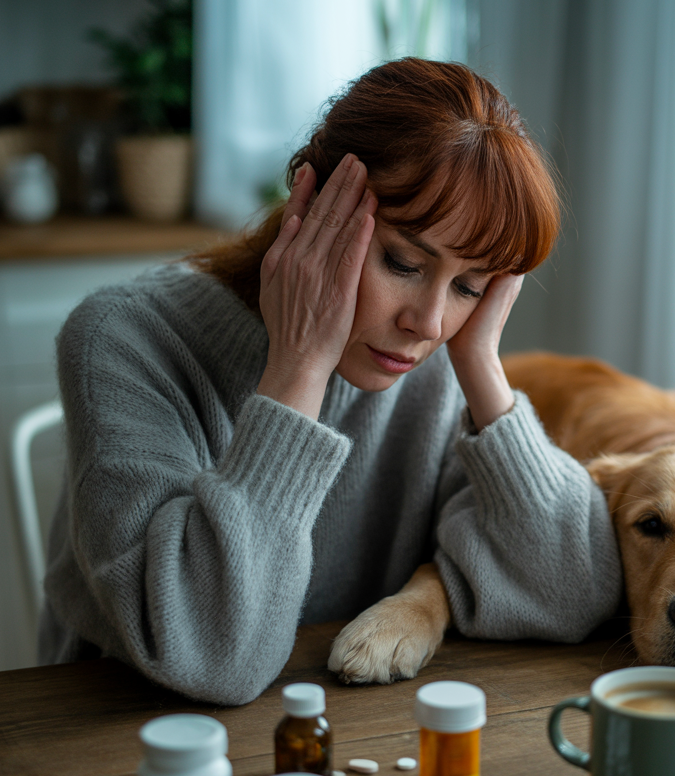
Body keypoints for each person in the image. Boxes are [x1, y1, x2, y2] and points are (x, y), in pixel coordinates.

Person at [39, 58, 621, 705]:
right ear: (310, 203)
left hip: (337, 739)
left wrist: (481, 363)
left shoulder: (431, 363)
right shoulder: (123, 339)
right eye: (402, 262)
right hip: (119, 751)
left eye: (469, 287)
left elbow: (577, 592)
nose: (427, 322)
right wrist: (299, 367)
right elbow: (210, 656)